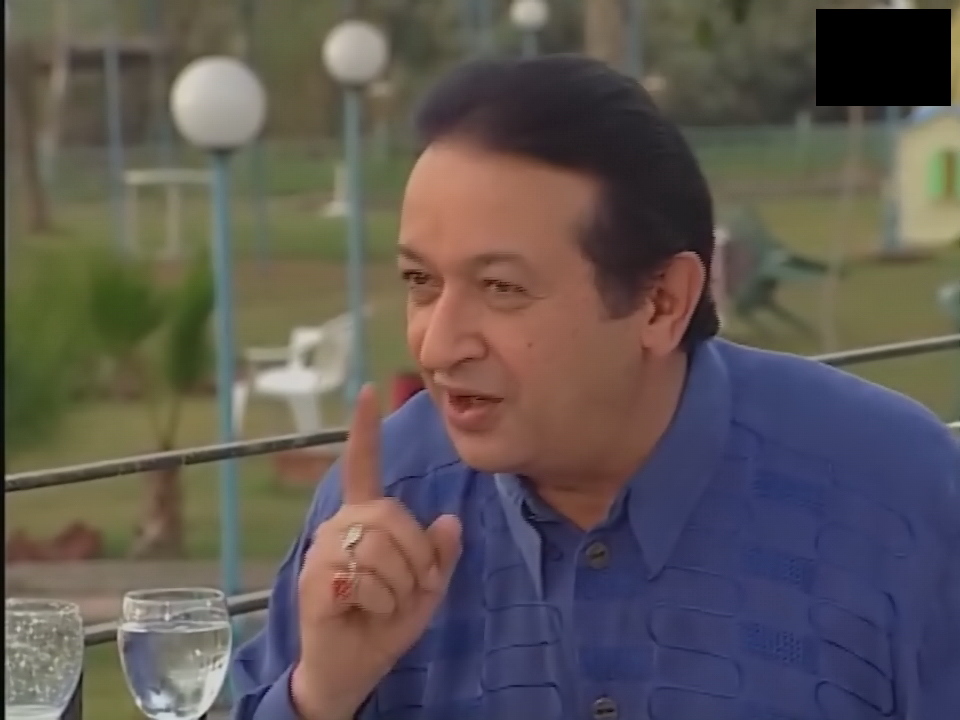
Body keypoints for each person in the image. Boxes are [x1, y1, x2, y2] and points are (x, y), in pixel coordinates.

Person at [231, 55, 960, 720]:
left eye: (501, 288)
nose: (438, 344)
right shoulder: (379, 512)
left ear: (661, 303)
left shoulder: (899, 496)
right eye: (421, 281)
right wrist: (322, 694)